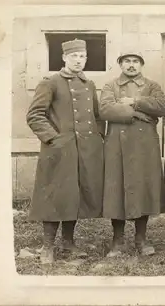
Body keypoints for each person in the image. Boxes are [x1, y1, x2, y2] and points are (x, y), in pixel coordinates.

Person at [26, 39, 105, 264]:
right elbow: (34, 115)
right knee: (54, 195)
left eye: (82, 57)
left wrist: (97, 138)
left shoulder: (88, 84)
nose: (78, 61)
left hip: (86, 150)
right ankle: (47, 246)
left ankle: (68, 243)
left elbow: (97, 116)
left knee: (75, 195)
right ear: (64, 58)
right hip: (59, 149)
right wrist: (54, 138)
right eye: (74, 57)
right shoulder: (50, 82)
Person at [99, 50, 165, 257]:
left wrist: (133, 102)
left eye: (135, 61)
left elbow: (161, 107)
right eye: (127, 61)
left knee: (143, 188)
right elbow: (105, 110)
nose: (131, 65)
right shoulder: (110, 85)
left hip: (144, 144)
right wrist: (138, 113)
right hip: (116, 145)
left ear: (141, 64)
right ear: (120, 64)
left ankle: (141, 238)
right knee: (116, 189)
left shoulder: (152, 85)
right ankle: (117, 240)